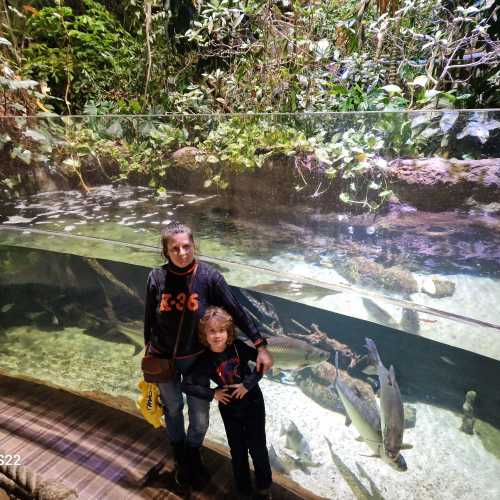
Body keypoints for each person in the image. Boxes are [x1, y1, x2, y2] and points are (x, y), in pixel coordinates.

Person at [143, 222, 273, 489]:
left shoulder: (209, 277)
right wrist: (147, 356)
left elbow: (236, 310)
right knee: (174, 410)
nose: (181, 252)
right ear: (166, 251)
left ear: (194, 246)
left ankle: (193, 453)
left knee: (200, 418)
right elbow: (148, 321)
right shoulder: (156, 277)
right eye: (174, 248)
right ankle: (183, 460)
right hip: (163, 360)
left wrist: (260, 344)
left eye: (186, 246)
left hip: (196, 360)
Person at [182, 306, 272, 500]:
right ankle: (243, 490)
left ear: (228, 331)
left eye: (221, 330)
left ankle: (264, 489)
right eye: (212, 331)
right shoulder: (205, 359)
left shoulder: (238, 346)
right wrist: (212, 392)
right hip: (229, 408)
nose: (217, 335)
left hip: (253, 403)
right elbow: (186, 385)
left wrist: (247, 384)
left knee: (258, 447)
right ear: (204, 334)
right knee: (238, 451)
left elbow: (262, 362)